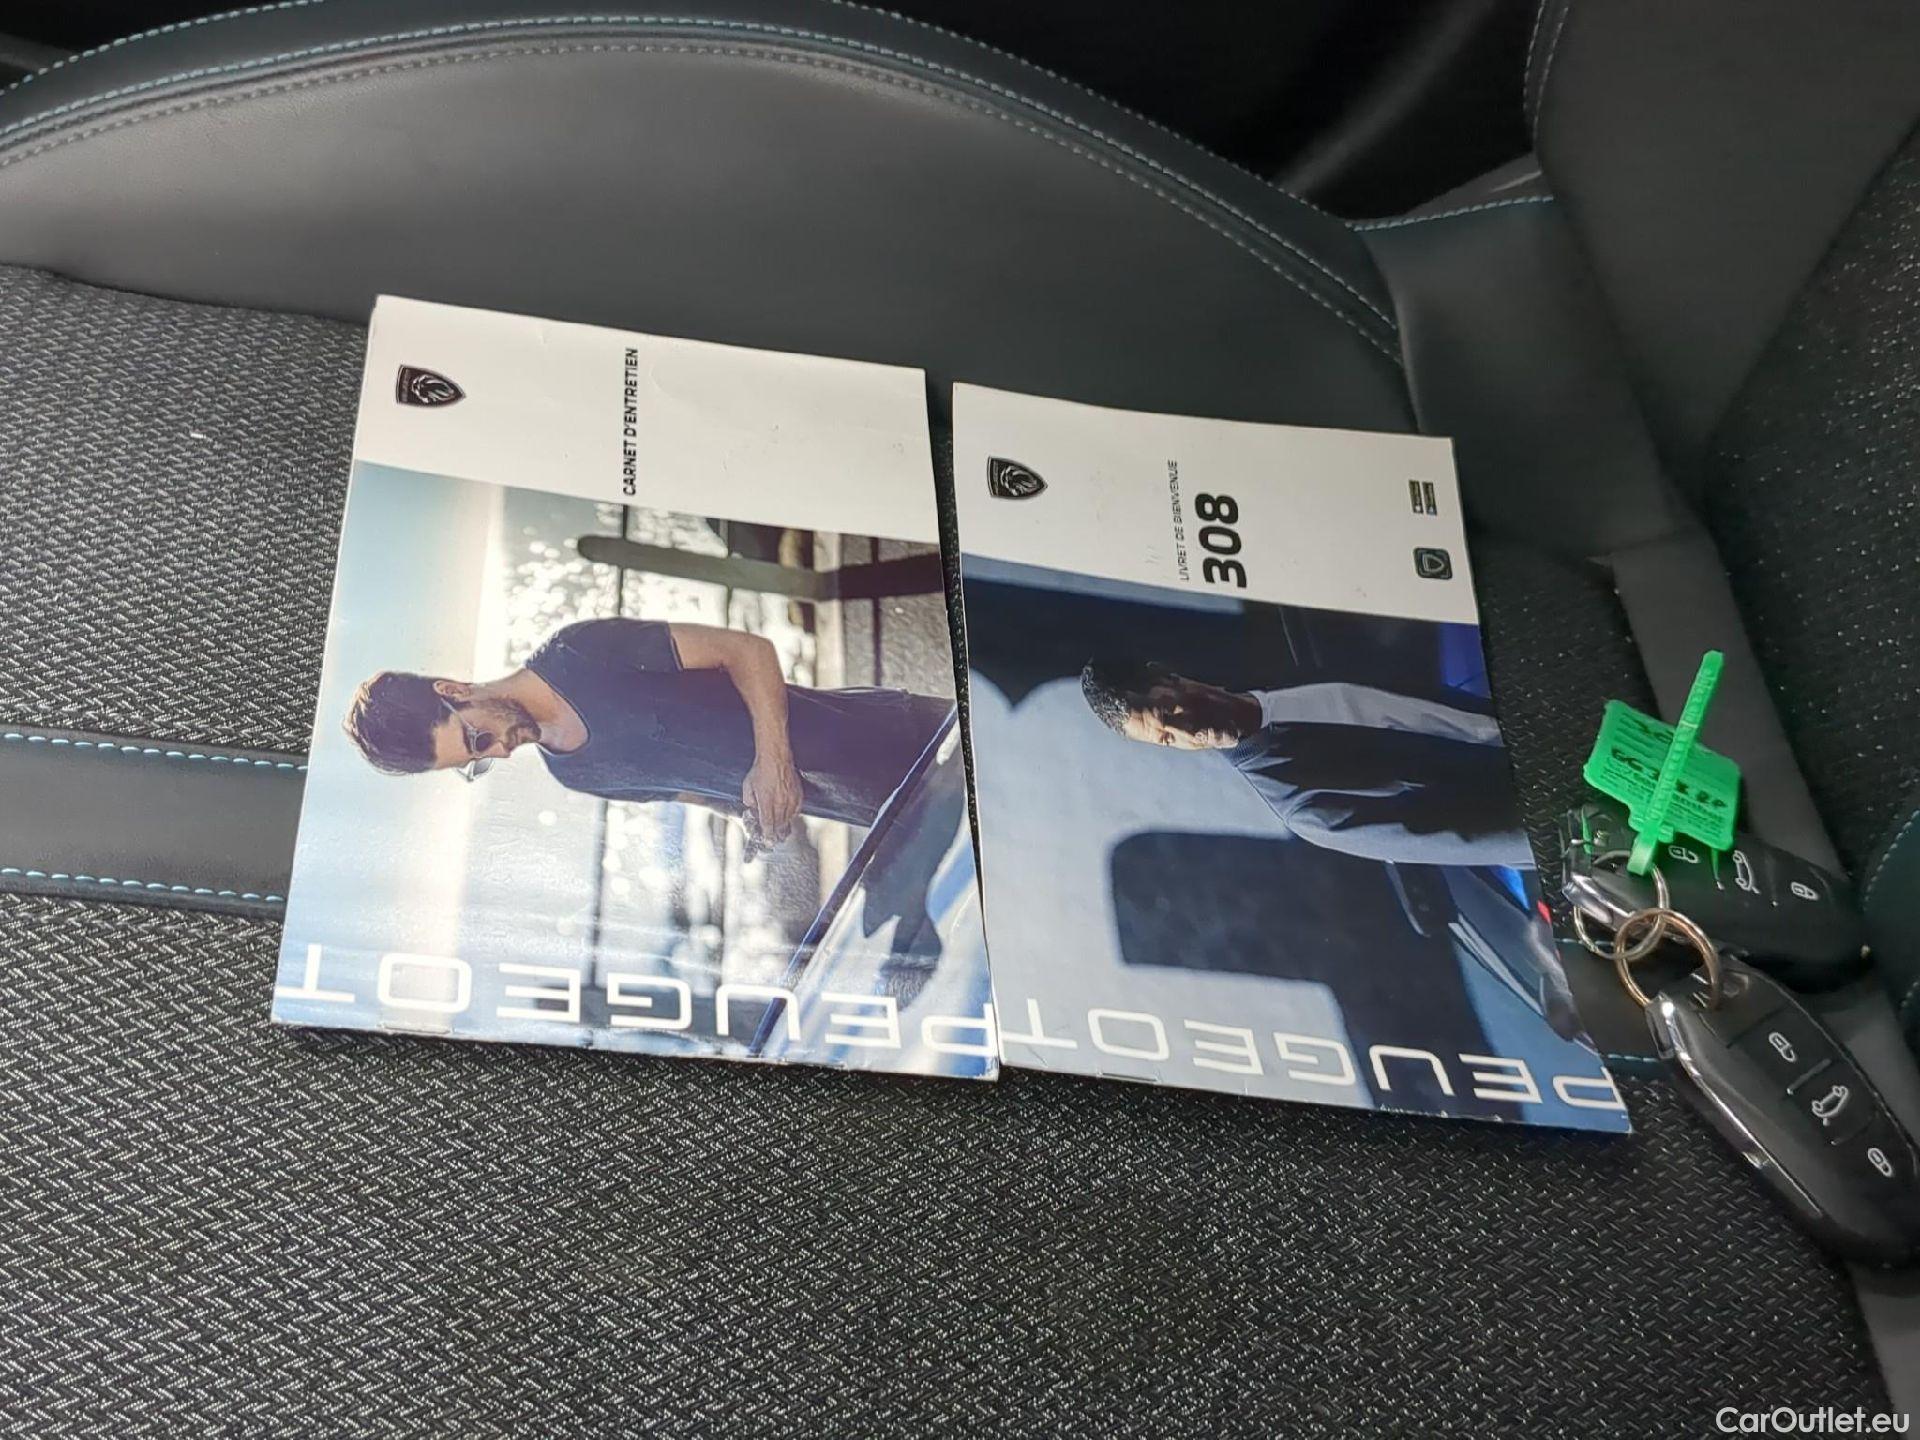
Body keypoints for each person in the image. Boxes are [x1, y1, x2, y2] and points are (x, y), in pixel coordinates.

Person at [345, 617, 953, 845]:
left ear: (455, 691)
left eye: (477, 740)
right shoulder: (575, 775)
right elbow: (691, 790)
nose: (500, 754)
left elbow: (748, 650)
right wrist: (753, 816)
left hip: (896, 734)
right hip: (874, 810)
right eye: (476, 763)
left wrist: (772, 761)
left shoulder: (580, 652)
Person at [1079, 658, 1532, 868]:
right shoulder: (1305, 805)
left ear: (1168, 675)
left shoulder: (1300, 670)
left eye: (1167, 712)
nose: (1186, 732)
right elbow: (1483, 841)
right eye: (1166, 739)